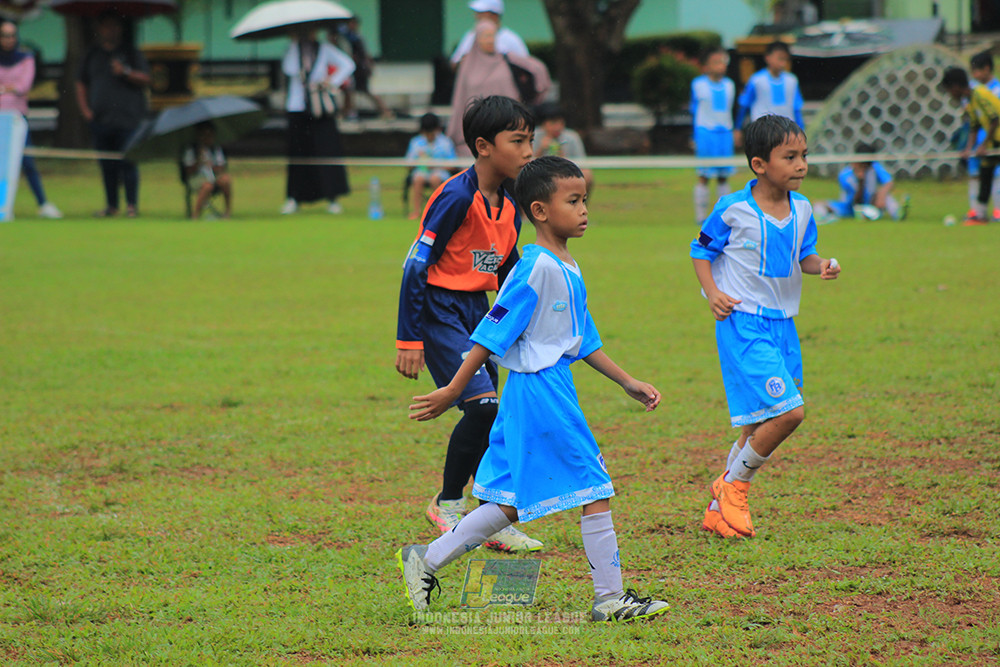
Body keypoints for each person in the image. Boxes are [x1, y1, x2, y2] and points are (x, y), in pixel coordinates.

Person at [398, 155, 670, 622]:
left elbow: (580, 337)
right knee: (595, 486)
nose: (584, 209)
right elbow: (490, 332)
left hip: (544, 387)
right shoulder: (534, 268)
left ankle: (426, 558)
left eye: (586, 200)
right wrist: (453, 390)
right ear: (540, 211)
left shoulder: (568, 266)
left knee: (507, 502)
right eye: (573, 200)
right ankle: (610, 598)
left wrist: (626, 380)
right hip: (540, 391)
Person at [394, 95, 541, 554]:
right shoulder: (456, 196)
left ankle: (488, 516)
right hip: (440, 311)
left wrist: (526, 321)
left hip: (478, 310)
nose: (528, 150)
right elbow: (415, 265)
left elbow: (506, 269)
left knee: (495, 415)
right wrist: (409, 337)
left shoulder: (512, 200)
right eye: (517, 141)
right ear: (482, 146)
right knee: (482, 407)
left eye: (530, 140)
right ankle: (449, 503)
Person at [690, 114, 841, 539]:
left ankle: (718, 509)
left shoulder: (804, 208)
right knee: (789, 412)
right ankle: (735, 486)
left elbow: (803, 256)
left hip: (784, 326)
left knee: (756, 423)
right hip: (742, 322)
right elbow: (699, 252)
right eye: (789, 156)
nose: (801, 165)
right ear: (759, 164)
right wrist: (713, 293)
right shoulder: (733, 208)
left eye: (804, 155)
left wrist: (823, 266)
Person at [75, 11, 149, 218]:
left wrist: (125, 72)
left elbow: (146, 78)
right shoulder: (92, 54)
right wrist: (86, 110)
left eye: (115, 26)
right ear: (100, 29)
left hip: (128, 119)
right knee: (107, 165)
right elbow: (81, 83)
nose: (111, 30)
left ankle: (132, 206)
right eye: (107, 26)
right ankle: (112, 206)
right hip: (101, 119)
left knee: (129, 162)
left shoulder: (131, 53)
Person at [445, 20, 549, 158]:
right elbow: (460, 99)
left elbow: (536, 69)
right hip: (478, 126)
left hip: (506, 123)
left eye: (493, 36)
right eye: (486, 36)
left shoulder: (506, 59)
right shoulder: (467, 67)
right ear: (477, 39)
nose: (490, 40)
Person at [280, 28, 354, 215]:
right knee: (298, 153)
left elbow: (347, 64)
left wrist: (330, 81)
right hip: (297, 106)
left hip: (320, 106)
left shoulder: (325, 48)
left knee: (327, 150)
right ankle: (294, 197)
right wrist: (294, 43)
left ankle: (332, 197)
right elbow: (289, 69)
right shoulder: (294, 48)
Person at [0, 20, 61, 219]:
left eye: (11, 35)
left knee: (27, 162)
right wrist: (11, 87)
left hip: (17, 118)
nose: (8, 39)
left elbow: (24, 86)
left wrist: (5, 88)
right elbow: (15, 86)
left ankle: (42, 203)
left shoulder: (25, 58)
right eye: (4, 35)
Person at [943, 66, 1000, 226]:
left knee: (989, 174)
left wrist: (984, 144)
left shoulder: (980, 94)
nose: (950, 95)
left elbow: (995, 118)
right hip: (995, 141)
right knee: (986, 173)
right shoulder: (971, 99)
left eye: (949, 90)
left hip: (997, 140)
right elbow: (974, 125)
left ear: (955, 87)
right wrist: (968, 148)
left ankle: (981, 214)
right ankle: (980, 215)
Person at [690, 46, 736, 223]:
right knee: (704, 175)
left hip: (725, 132)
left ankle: (723, 215)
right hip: (705, 132)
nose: (720, 66)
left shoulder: (730, 85)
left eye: (723, 62)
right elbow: (694, 109)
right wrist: (694, 135)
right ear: (706, 66)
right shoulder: (698, 84)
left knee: (723, 175)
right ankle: (700, 216)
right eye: (716, 62)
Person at [813, 142, 906, 222]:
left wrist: (881, 194)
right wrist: (861, 180)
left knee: (886, 196)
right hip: (849, 207)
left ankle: (897, 213)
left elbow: (889, 182)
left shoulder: (874, 167)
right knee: (820, 205)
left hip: (871, 203)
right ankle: (822, 217)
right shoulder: (845, 175)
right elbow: (856, 201)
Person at [734, 41, 803, 145]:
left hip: (786, 130)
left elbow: (796, 108)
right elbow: (744, 105)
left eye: (785, 59)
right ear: (768, 58)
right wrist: (737, 128)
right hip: (763, 131)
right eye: (779, 58)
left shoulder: (792, 80)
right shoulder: (757, 80)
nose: (782, 62)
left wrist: (801, 130)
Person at [965, 50, 1000, 222]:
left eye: (977, 70)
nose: (975, 75)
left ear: (987, 68)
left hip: (993, 142)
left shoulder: (997, 90)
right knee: (977, 176)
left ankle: (997, 211)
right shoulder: (971, 90)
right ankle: (976, 212)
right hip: (978, 143)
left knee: (996, 175)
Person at [336, 16, 390, 120]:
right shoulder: (349, 36)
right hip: (354, 69)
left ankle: (385, 111)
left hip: (360, 69)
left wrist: (368, 66)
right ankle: (346, 112)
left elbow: (364, 55)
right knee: (349, 91)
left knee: (363, 91)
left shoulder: (356, 37)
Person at [532, 101, 593, 193]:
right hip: (539, 175)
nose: (558, 127)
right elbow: (527, 164)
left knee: (587, 174)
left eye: (561, 123)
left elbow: (582, 162)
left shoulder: (571, 137)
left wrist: (563, 157)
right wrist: (541, 149)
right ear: (544, 124)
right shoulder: (534, 136)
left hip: (566, 174)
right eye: (553, 123)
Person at [405, 112, 456, 220]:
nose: (429, 135)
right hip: (421, 171)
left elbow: (453, 165)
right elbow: (408, 164)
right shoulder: (416, 142)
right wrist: (419, 162)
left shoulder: (445, 142)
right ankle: (417, 212)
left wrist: (436, 166)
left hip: (440, 172)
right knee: (418, 178)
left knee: (435, 178)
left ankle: (437, 212)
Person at [449, 0, 528, 68]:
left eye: (482, 13)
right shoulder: (470, 36)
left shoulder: (511, 39)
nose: (477, 16)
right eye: (477, 13)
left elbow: (526, 66)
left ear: (495, 15)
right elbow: (455, 63)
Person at [182, 121, 232, 220]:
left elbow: (221, 167)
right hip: (197, 177)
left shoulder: (215, 149)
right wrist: (199, 162)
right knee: (207, 186)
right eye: (205, 135)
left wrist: (211, 166)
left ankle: (227, 212)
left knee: (226, 180)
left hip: (213, 175)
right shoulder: (191, 150)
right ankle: (196, 215)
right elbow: (188, 171)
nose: (208, 138)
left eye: (210, 135)